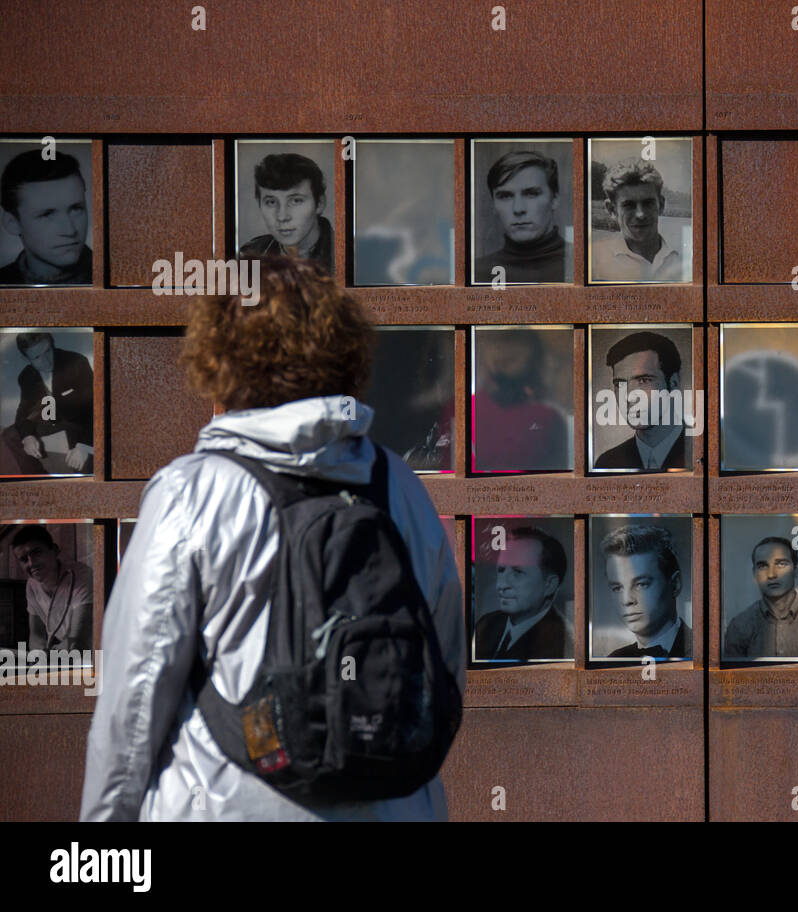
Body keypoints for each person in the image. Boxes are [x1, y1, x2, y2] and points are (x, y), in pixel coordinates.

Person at [80, 256, 465, 821]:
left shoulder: (192, 492)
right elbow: (444, 666)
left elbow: (136, 697)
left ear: (221, 357)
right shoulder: (395, 482)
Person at [472, 328, 569, 471]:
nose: (503, 352)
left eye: (513, 353)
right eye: (497, 346)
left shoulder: (550, 418)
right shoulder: (467, 408)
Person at [0, 331, 94, 476]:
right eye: (37, 357)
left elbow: (95, 408)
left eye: (48, 351)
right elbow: (24, 411)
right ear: (25, 358)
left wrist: (84, 446)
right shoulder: (26, 376)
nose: (47, 361)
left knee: (83, 468)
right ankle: (39, 477)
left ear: (52, 345)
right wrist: (27, 436)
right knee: (10, 435)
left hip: (79, 418)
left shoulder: (77, 362)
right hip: (48, 415)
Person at [474, 526, 573, 661]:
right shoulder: (485, 625)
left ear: (549, 585)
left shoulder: (565, 642)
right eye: (501, 570)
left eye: (518, 572)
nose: (501, 585)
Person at [593, 331, 687, 471]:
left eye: (643, 381)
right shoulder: (607, 463)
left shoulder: (701, 451)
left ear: (673, 383)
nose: (629, 396)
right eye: (620, 384)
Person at [0, 149, 92, 286]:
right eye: (47, 214)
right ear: (12, 223)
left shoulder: (115, 273)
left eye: (76, 209)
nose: (70, 231)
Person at [474, 150, 568, 284]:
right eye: (505, 196)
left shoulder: (586, 265)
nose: (518, 209)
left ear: (554, 199)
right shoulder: (475, 274)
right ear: (493, 204)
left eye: (531, 194)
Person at [724, 537, 798, 659]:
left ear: (796, 569)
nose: (771, 574)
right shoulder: (740, 625)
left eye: (781, 564)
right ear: (754, 573)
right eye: (762, 566)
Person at [600, 524, 691, 659]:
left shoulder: (703, 651)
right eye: (617, 588)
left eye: (641, 584)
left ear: (675, 584)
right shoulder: (613, 659)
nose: (627, 600)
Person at [590, 160, 686, 282]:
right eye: (629, 205)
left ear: (661, 205)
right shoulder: (593, 260)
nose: (640, 214)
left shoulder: (685, 259)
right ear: (612, 210)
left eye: (648, 203)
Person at [238, 153, 333, 272]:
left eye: (296, 201)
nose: (282, 216)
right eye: (271, 202)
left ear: (319, 203)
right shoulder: (247, 257)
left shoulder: (351, 255)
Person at [9, 524, 92, 653]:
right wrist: (40, 650)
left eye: (36, 553)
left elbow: (78, 642)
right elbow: (36, 635)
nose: (31, 563)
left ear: (54, 550)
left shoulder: (82, 576)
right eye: (24, 559)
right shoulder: (31, 585)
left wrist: (51, 652)